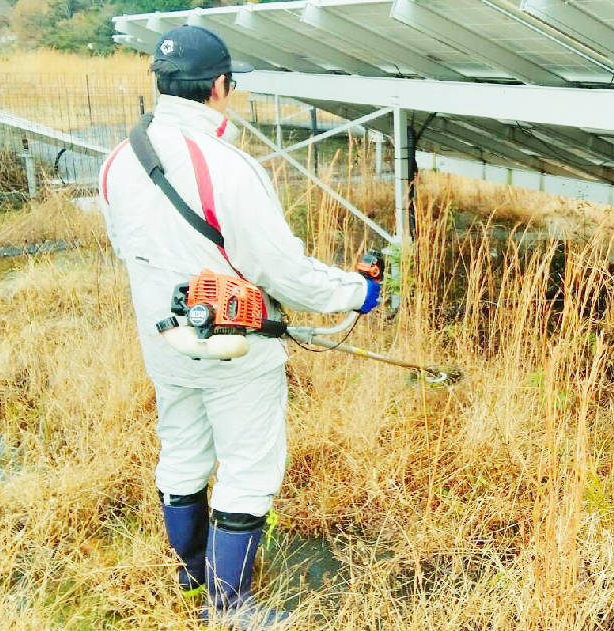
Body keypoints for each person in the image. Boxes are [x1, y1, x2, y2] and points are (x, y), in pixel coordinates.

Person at [98, 25, 380, 629]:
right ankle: (229, 608)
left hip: (163, 338)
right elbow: (280, 269)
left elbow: (124, 244)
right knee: (249, 467)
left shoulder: (121, 159)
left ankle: (190, 575)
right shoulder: (227, 166)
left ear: (161, 81)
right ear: (221, 85)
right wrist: (358, 292)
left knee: (182, 450)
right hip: (235, 349)